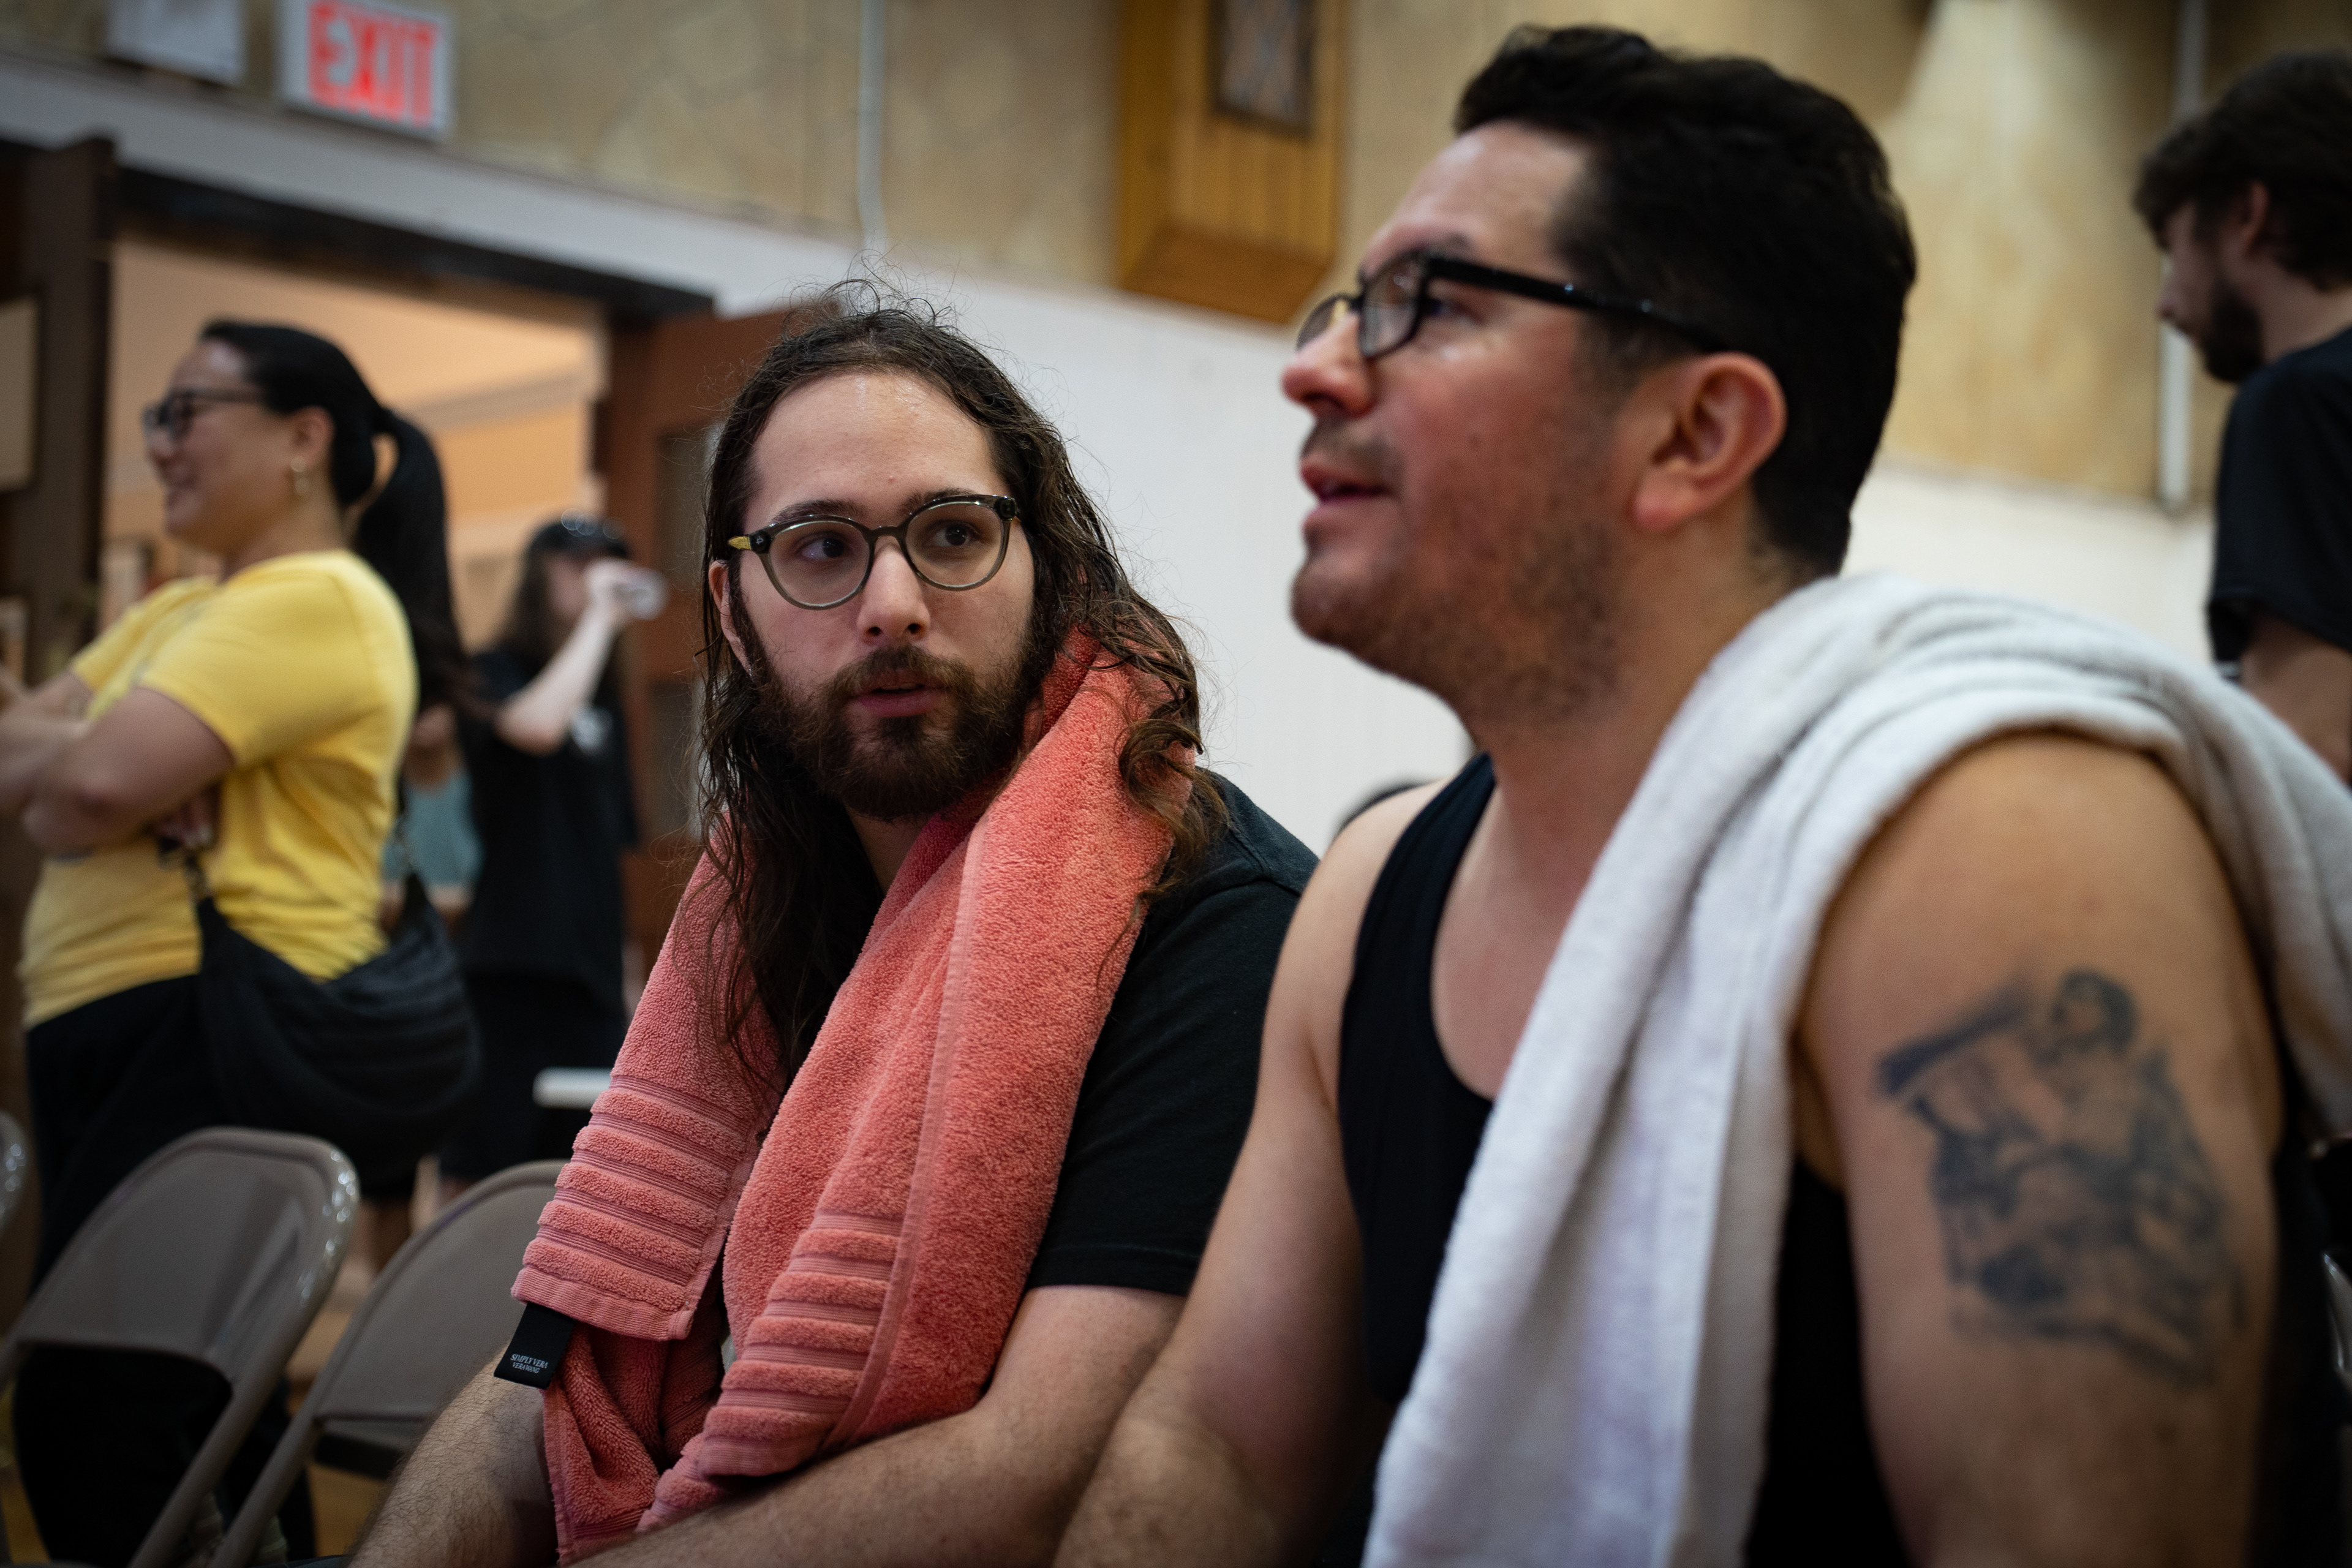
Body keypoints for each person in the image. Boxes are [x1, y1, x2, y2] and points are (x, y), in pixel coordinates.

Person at [1060, 27, 2352, 1568]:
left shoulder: (1997, 851)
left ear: (1695, 432)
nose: (1316, 366)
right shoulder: (1368, 892)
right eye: (1349, 302)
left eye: (1432, 304)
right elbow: (1215, 1447)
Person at [350, 290, 1314, 1568]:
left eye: (954, 533)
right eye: (818, 548)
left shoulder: (1215, 921)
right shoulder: (758, 909)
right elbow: (560, 1381)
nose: (893, 602)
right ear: (734, 614)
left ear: (1048, 569)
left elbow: (1036, 1475)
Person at [0, 320, 468, 1564]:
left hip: (212, 1024)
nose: (162, 444)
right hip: (121, 1022)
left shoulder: (318, 597)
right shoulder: (178, 609)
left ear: (303, 437)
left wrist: (102, 759)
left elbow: (81, 793)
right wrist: (108, 752)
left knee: (101, 1405)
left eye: (186, 411)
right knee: (201, 1405)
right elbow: (31, 769)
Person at [2136, 51, 2352, 779]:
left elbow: (2313, 746)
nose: (2167, 304)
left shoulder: (2300, 401)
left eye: (2175, 254)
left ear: (2246, 216)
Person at [435, 513, 660, 1197]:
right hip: (509, 969)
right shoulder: (492, 670)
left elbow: (609, 848)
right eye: (578, 561)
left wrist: (628, 982)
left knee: (583, 1182)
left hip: (588, 982)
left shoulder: (604, 703)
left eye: (609, 561)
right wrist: (600, 620)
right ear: (538, 572)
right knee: (480, 1173)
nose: (596, 575)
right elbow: (536, 726)